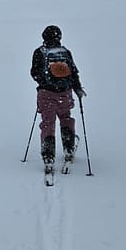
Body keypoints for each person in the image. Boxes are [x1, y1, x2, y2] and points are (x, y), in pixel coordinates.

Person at [30, 24, 85, 170]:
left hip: (46, 94)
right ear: (59, 37)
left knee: (48, 123)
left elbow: (34, 73)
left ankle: (48, 157)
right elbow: (73, 72)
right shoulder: (65, 52)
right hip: (65, 94)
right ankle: (69, 149)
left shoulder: (39, 52)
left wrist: (44, 83)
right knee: (66, 118)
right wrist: (78, 89)